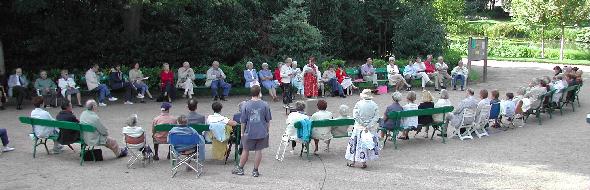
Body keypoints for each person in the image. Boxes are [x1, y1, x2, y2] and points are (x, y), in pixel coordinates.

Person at [233, 86, 272, 177]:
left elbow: (243, 121)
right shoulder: (265, 104)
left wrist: (242, 132)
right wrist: (267, 131)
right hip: (261, 131)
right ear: (259, 93)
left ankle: (241, 169)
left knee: (245, 150)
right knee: (258, 151)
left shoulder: (245, 105)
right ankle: (255, 170)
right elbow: (268, 120)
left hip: (249, 131)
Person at [346, 89, 380, 168]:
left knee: (357, 144)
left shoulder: (358, 104)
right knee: (366, 143)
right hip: (370, 128)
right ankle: (364, 162)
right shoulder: (374, 105)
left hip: (359, 128)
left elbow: (355, 116)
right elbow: (376, 117)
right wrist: (369, 125)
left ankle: (353, 161)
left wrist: (363, 124)